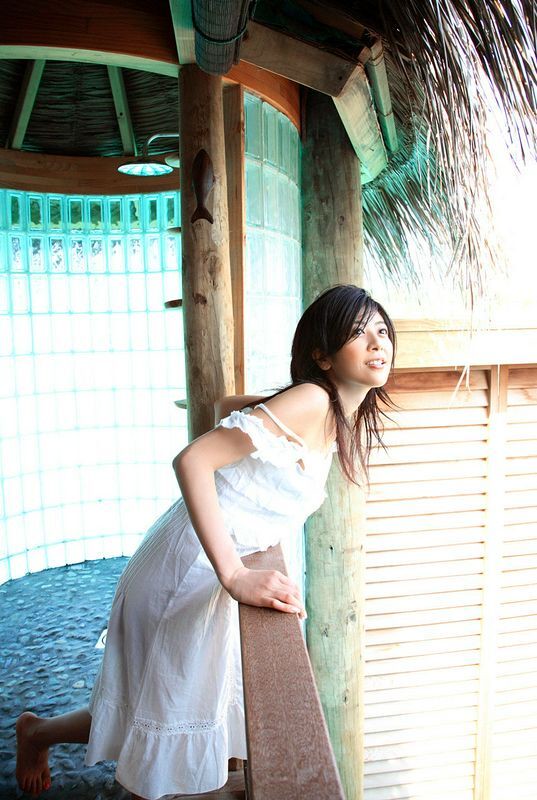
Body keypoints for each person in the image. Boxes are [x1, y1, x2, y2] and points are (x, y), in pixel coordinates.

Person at [16, 284, 395, 799]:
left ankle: (36, 732)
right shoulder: (312, 400)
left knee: (155, 702)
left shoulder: (333, 412)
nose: (377, 342)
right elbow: (192, 459)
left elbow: (228, 407)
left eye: (381, 330)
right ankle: (47, 739)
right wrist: (235, 575)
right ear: (322, 356)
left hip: (200, 562)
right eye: (357, 332)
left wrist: (261, 412)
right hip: (186, 567)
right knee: (165, 706)